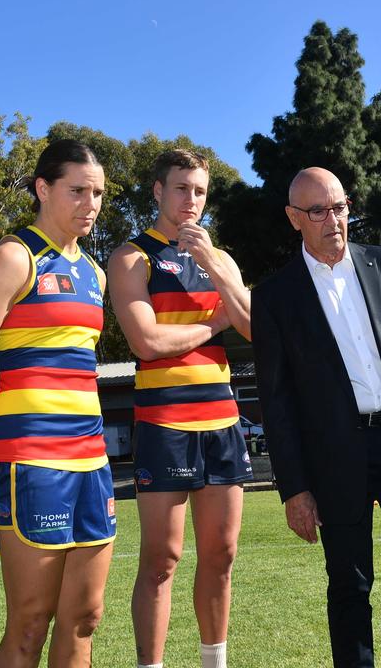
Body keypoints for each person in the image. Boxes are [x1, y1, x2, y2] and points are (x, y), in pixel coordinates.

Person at [253, 167, 381, 668]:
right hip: (335, 457)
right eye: (318, 211)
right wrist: (294, 488)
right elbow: (276, 402)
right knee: (349, 585)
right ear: (293, 218)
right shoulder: (275, 297)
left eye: (340, 206)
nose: (333, 220)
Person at [0, 138, 116, 666]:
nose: (91, 203)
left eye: (99, 193)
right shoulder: (14, 258)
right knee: (30, 622)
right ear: (43, 188)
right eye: (78, 190)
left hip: (93, 463)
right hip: (30, 464)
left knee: (85, 618)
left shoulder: (95, 273)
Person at [108, 149, 252, 668]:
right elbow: (146, 342)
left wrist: (213, 262)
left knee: (221, 555)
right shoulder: (131, 257)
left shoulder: (221, 260)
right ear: (158, 192)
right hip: (165, 423)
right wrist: (215, 324)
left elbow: (257, 328)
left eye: (200, 191)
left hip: (222, 422)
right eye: (181, 189)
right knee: (162, 560)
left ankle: (215, 661)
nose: (191, 200)